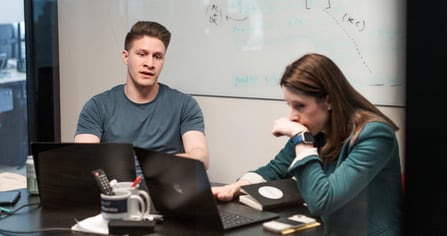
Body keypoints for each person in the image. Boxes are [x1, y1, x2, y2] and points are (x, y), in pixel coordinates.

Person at [212, 53, 402, 235]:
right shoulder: (317, 130)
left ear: (329, 101)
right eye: (289, 105)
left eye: (300, 106)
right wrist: (237, 186)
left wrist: (301, 139)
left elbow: (323, 201)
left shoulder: (375, 135)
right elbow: (275, 169)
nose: (292, 116)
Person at [74, 21, 209, 169]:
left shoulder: (185, 105)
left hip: (166, 186)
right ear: (126, 57)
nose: (149, 63)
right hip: (119, 189)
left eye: (157, 56)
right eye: (142, 54)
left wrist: (158, 165)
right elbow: (84, 161)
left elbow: (201, 158)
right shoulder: (97, 107)